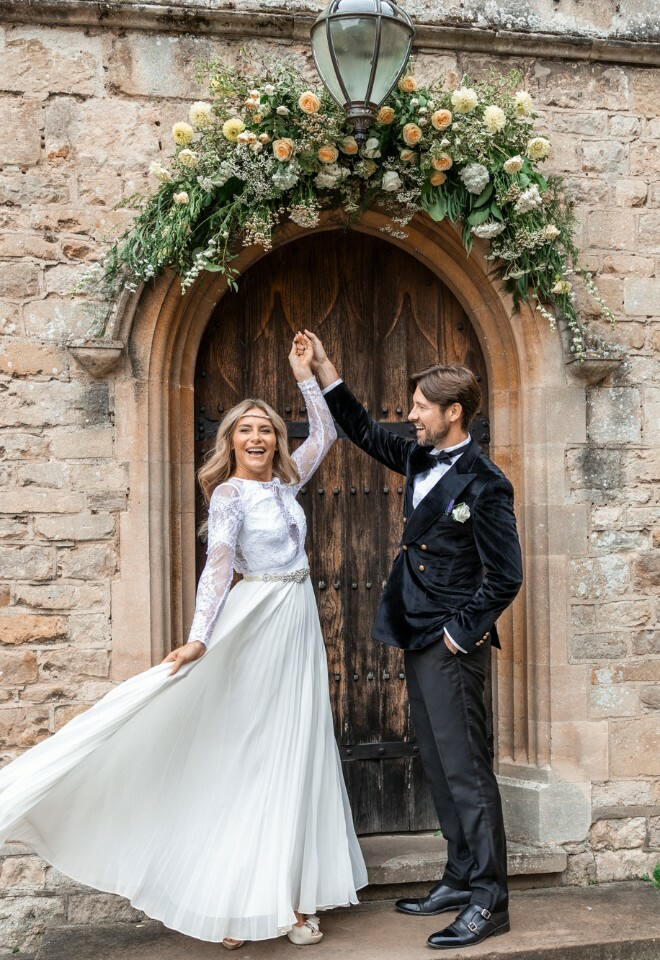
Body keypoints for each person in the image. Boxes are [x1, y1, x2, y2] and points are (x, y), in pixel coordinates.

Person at [0, 335, 367, 949]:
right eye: (246, 430)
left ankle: (292, 899)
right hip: (255, 623)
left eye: (267, 431)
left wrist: (309, 373)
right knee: (253, 754)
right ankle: (237, 904)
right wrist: (198, 640)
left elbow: (327, 432)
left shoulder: (286, 484)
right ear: (230, 442)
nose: (258, 438)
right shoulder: (229, 495)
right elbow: (217, 569)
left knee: (298, 752)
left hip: (297, 622)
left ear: (277, 441)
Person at [298, 330, 523, 950]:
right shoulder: (422, 458)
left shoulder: (486, 483)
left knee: (468, 771)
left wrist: (457, 635)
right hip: (416, 631)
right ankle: (459, 877)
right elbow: (364, 431)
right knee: (441, 764)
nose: (412, 415)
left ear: (454, 412)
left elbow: (506, 576)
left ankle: (490, 901)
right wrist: (325, 368)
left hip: (449, 643)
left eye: (422, 406)